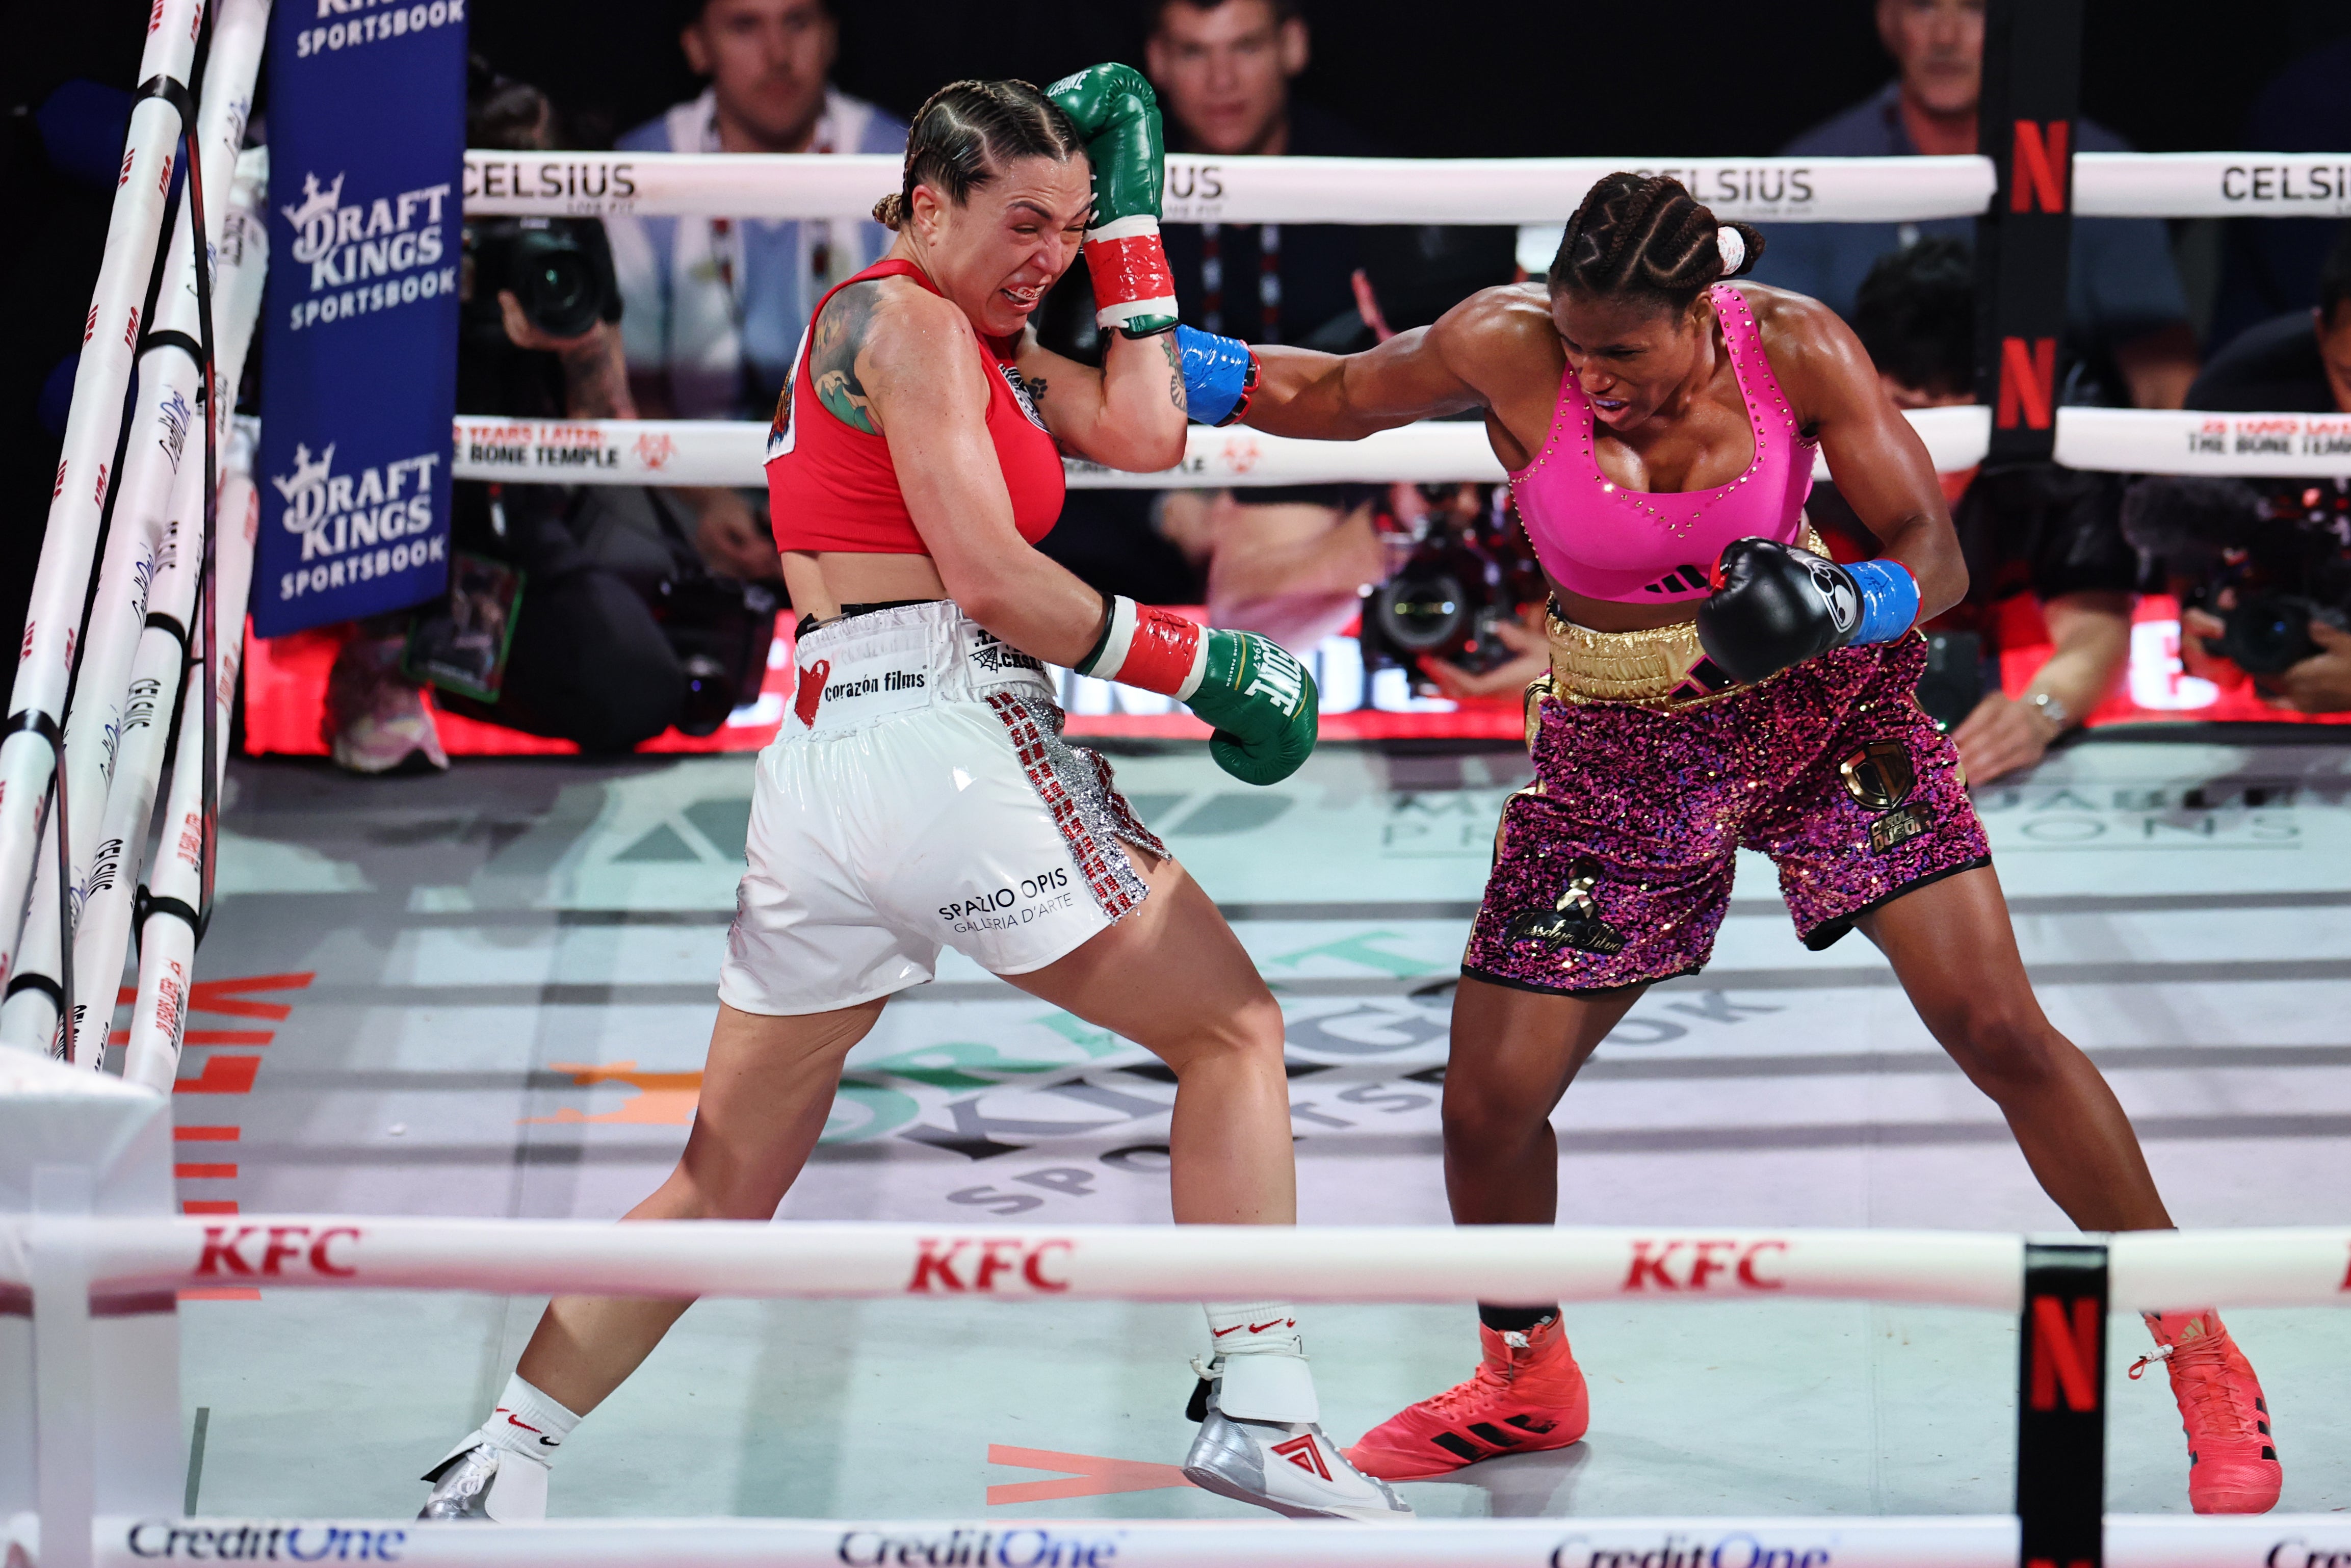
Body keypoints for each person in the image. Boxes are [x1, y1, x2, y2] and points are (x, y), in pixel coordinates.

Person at [414, 70, 1407, 1526]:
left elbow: (1142, 434)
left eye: (1068, 224)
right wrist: (1202, 663)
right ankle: (1265, 1412)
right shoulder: (908, 326)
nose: (1047, 256)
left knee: (724, 1175)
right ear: (925, 205)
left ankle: (504, 1455)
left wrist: (1130, 229)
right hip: (947, 734)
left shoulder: (975, 342)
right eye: (1023, 222)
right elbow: (992, 578)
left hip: (825, 769)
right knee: (1232, 1029)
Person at [1227, 171, 2281, 1515]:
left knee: (1999, 1027)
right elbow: (1325, 395)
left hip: (1819, 713)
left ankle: (2199, 1344)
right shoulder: (1508, 341)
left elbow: (1935, 552)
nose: (1593, 378)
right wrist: (1136, 356)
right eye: (1576, 343)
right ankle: (1524, 1375)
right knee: (1487, 1105)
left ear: (1697, 312)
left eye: (1623, 348)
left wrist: (1842, 600)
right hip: (1618, 747)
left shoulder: (1792, 345)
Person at [1751, 0, 2199, 411]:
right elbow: (1760, 376)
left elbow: (2165, 381)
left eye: (1976, 9)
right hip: (1856, 456)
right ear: (1888, 20)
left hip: (2046, 463)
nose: (1945, 38)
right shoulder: (1811, 174)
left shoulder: (2096, 169)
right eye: (1924, 6)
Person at [1811, 238, 2135, 782]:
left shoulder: (2062, 438)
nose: (1939, 447)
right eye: (1909, 409)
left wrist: (2038, 715)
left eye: (1965, 416)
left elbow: (2095, 625)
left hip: (2000, 679)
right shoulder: (1805, 436)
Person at [605, 0, 907, 582]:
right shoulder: (640, 170)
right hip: (687, 491)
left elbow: (924, 385)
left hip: (865, 488)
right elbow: (629, 389)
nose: (777, 55)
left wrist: (834, 513)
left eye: (798, 22)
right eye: (745, 26)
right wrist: (707, 501)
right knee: (615, 531)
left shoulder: (899, 162)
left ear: (831, 37)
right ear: (697, 47)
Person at [2173, 222, 2351, 714]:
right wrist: (2214, 638)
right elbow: (2191, 576)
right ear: (2321, 334)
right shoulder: (2243, 394)